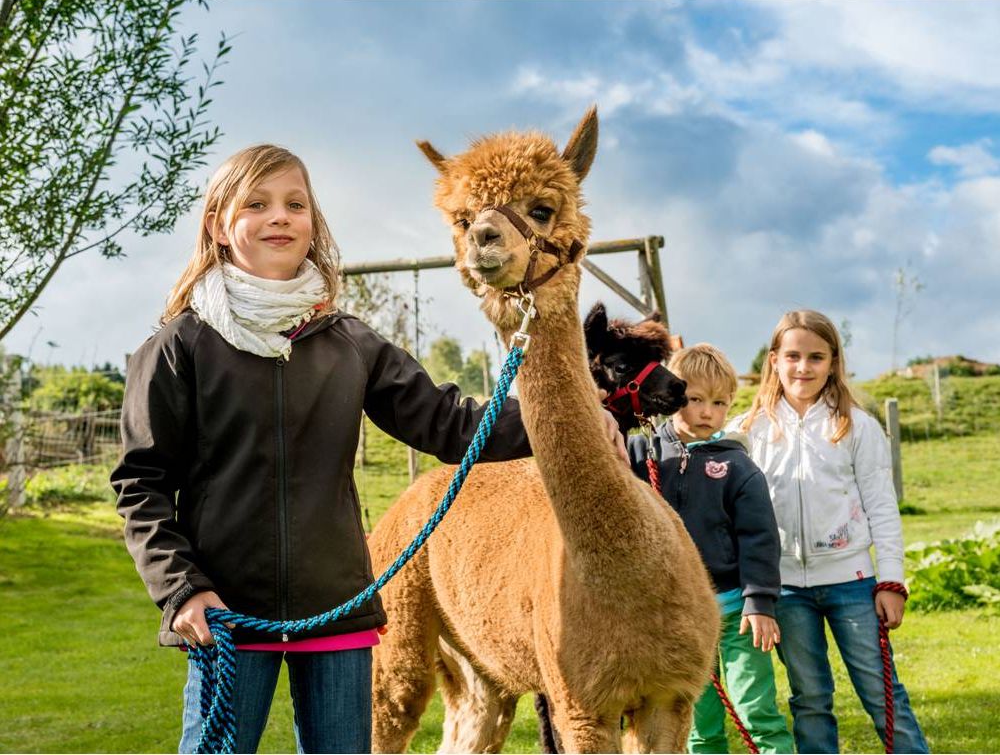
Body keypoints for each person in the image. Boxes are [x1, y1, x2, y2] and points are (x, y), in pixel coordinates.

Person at [110, 144, 625, 754]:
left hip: (337, 609)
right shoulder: (179, 348)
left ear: (312, 223)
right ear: (220, 227)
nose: (280, 216)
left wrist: (570, 418)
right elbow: (139, 484)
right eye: (257, 204)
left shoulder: (347, 343)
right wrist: (181, 590)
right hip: (224, 614)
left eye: (294, 204)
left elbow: (447, 423)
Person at [732, 309, 929, 754]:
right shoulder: (748, 431)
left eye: (816, 357)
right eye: (794, 356)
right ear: (774, 361)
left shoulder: (857, 426)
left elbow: (882, 507)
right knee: (811, 700)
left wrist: (891, 580)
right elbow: (698, 452)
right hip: (784, 590)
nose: (804, 368)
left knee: (883, 696)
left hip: (852, 584)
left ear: (833, 362)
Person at [630, 344, 793, 754]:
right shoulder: (641, 454)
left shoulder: (737, 468)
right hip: (676, 619)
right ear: (672, 396)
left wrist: (760, 602)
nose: (707, 412)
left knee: (755, 710)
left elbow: (760, 538)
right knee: (697, 722)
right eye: (695, 400)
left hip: (735, 611)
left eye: (719, 403)